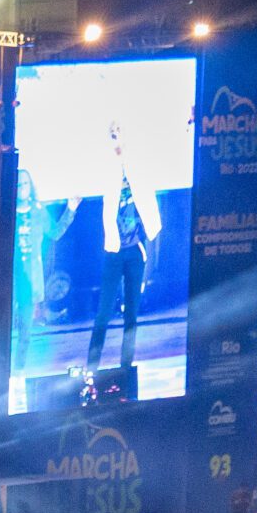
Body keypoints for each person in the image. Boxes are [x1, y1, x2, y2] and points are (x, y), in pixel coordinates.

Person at [83, 125, 162, 373]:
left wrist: (124, 144)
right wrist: (114, 144)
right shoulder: (110, 180)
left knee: (131, 315)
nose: (118, 140)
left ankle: (126, 366)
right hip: (114, 253)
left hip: (135, 253)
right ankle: (91, 368)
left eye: (120, 134)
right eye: (113, 135)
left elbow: (134, 162)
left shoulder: (140, 180)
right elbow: (113, 164)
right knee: (103, 314)